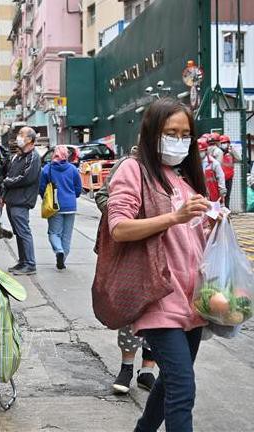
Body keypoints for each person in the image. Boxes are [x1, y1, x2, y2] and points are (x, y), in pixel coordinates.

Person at [106, 98, 211, 431]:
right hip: (157, 296)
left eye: (185, 133)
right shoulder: (133, 170)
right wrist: (175, 216)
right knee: (183, 388)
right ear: (152, 132)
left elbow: (190, 235)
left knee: (170, 382)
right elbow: (119, 228)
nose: (179, 140)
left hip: (192, 299)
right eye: (171, 132)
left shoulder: (182, 178)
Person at [94, 145, 158, 394]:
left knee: (157, 310)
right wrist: (124, 211)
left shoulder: (170, 170)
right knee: (130, 307)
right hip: (129, 249)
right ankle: (127, 367)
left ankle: (147, 371)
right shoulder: (126, 165)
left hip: (160, 251)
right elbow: (101, 197)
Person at [2, 126, 41, 276]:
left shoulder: (33, 157)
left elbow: (27, 178)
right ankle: (23, 262)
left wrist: (8, 182)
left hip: (21, 201)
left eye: (21, 134)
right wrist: (3, 196)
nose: (18, 137)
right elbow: (9, 174)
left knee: (23, 232)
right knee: (19, 232)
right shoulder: (18, 156)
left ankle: (30, 264)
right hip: (12, 200)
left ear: (30, 139)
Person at [39, 145, 82, 270]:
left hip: (55, 205)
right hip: (70, 205)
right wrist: (73, 196)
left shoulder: (47, 169)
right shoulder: (73, 169)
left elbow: (42, 188)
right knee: (67, 235)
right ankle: (62, 259)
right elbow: (78, 188)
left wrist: (46, 199)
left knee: (54, 233)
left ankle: (59, 251)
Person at [199, 138, 226, 203]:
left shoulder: (214, 163)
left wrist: (222, 190)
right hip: (199, 192)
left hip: (213, 192)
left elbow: (221, 177)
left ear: (206, 151)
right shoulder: (194, 163)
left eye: (201, 151)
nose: (200, 153)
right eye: (198, 152)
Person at [219, 134, 241, 208]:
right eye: (222, 143)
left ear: (229, 143)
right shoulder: (218, 153)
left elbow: (239, 159)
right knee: (219, 196)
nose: (224, 144)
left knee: (227, 196)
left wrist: (233, 151)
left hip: (228, 178)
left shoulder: (231, 153)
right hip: (220, 179)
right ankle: (219, 211)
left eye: (226, 142)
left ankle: (227, 211)